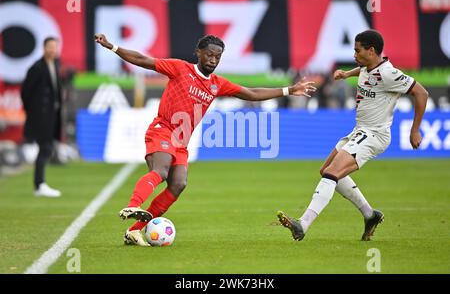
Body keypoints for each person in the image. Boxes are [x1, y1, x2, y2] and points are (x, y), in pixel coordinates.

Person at [94, 33, 316, 246]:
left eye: (218, 57)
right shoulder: (180, 68)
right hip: (163, 129)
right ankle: (132, 206)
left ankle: (133, 231)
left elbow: (251, 93)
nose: (213, 60)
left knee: (178, 184)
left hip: (181, 143)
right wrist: (112, 47)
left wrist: (288, 90)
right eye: (209, 54)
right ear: (198, 53)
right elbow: (143, 60)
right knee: (161, 172)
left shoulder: (217, 84)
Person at [277, 30, 429, 241]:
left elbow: (421, 93)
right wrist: (347, 74)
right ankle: (370, 215)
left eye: (357, 50)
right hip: (359, 130)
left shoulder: (389, 73)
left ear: (371, 50)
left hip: (374, 134)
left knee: (332, 175)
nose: (354, 54)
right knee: (326, 171)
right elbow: (364, 72)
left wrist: (415, 130)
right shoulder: (369, 67)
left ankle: (302, 224)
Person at [21, 37, 63, 198]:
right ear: (44, 48)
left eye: (55, 46)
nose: (53, 50)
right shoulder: (37, 67)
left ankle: (40, 184)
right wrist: (33, 112)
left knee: (47, 148)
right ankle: (39, 184)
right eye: (50, 47)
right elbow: (25, 92)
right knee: (45, 148)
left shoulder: (56, 64)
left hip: (52, 115)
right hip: (41, 117)